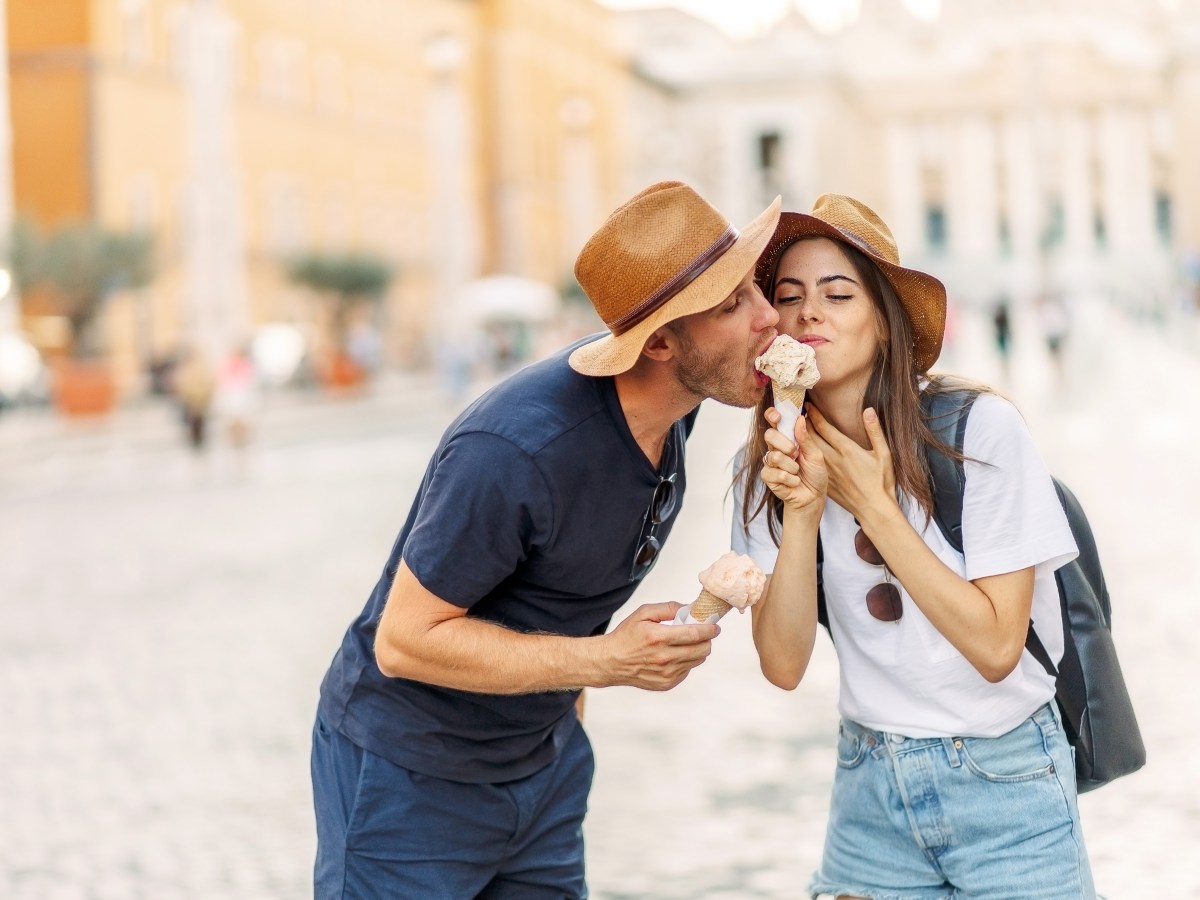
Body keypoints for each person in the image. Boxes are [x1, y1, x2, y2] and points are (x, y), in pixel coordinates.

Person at [311, 181, 782, 898]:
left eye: (754, 289)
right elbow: (403, 640)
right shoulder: (513, 451)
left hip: (545, 767)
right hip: (411, 780)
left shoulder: (676, 404)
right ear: (658, 343)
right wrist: (604, 660)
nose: (768, 317)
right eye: (732, 305)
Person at [733, 195, 1095, 898]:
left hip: (1009, 784)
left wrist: (873, 505)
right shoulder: (769, 465)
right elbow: (781, 664)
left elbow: (995, 649)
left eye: (838, 294)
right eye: (789, 296)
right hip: (869, 791)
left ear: (886, 323)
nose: (809, 313)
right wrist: (804, 509)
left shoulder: (979, 433)